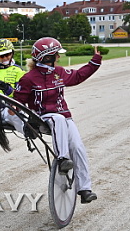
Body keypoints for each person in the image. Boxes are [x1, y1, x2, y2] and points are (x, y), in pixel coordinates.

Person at [13, 37, 101, 204]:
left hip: (64, 116)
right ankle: (62, 158)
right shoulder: (28, 78)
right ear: (47, 57)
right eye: (56, 54)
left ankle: (84, 189)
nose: (58, 57)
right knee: (58, 118)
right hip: (42, 117)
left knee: (78, 147)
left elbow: (78, 76)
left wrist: (95, 61)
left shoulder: (59, 72)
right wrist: (20, 117)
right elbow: (18, 101)